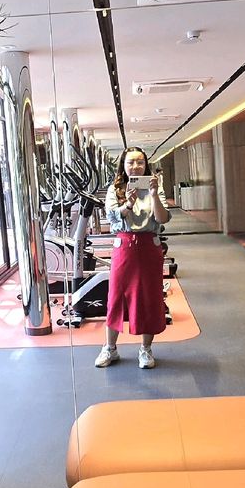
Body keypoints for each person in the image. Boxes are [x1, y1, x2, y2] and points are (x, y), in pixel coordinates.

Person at [95, 146, 171, 369]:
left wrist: (154, 195)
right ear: (124, 165)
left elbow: (163, 218)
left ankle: (145, 349)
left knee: (149, 298)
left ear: (146, 165)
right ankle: (110, 348)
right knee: (115, 298)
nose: (135, 166)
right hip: (124, 246)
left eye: (140, 162)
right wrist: (128, 203)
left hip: (149, 246)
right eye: (131, 162)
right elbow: (112, 217)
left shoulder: (156, 187)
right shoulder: (115, 189)